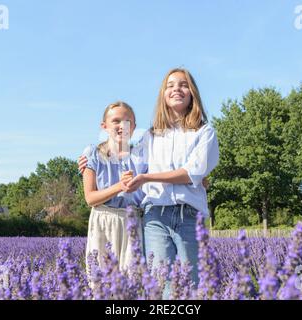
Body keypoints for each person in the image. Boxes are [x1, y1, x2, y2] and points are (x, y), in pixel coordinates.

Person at [79, 68, 219, 298]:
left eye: (183, 85)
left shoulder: (204, 132)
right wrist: (91, 159)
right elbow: (128, 165)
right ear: (163, 94)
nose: (177, 89)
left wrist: (150, 177)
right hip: (155, 215)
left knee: (191, 286)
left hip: (189, 215)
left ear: (192, 92)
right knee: (161, 285)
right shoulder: (151, 136)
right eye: (170, 85)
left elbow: (191, 172)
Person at [81, 101, 146, 273]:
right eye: (116, 121)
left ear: (134, 127)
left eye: (127, 121)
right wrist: (119, 186)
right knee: (100, 281)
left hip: (133, 221)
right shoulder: (93, 153)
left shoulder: (142, 155)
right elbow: (90, 198)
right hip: (103, 219)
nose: (121, 126)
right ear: (104, 126)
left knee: (132, 280)